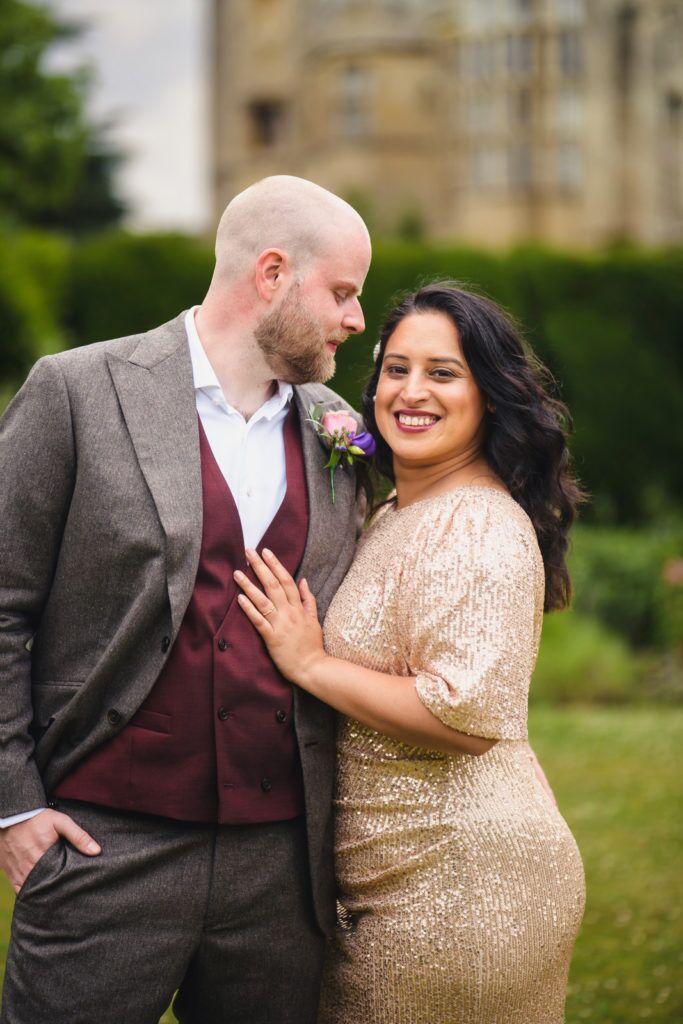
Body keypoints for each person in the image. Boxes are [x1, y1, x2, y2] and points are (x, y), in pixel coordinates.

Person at [0, 175, 371, 1024]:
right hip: (104, 844)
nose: (356, 320)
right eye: (343, 293)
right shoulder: (76, 392)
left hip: (280, 867)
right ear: (271, 274)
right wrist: (13, 806)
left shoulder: (340, 428)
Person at [234, 282, 586, 1024]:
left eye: (442, 372)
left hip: (456, 884)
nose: (410, 392)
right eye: (395, 369)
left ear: (489, 394)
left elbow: (462, 715)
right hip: (391, 875)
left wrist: (310, 664)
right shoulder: (399, 510)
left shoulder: (479, 526)